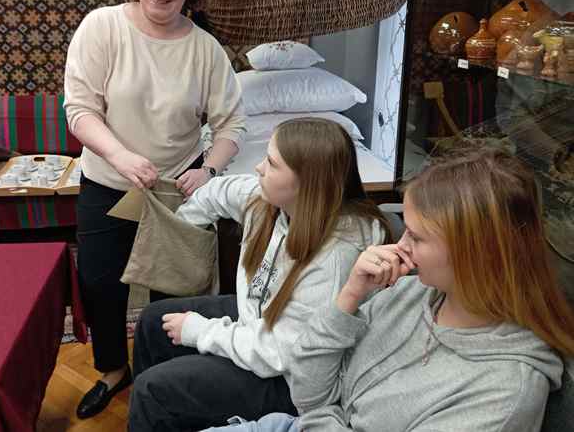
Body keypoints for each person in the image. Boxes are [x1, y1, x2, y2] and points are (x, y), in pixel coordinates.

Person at [205, 148, 574, 432]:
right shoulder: (409, 293)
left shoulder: (500, 396)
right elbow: (308, 391)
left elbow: (316, 404)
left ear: (474, 253)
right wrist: (348, 298)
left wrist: (322, 414)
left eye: (417, 236)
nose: (400, 246)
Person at [63, 0, 245, 419]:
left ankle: (162, 377)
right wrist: (121, 156)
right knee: (100, 283)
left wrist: (208, 170)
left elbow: (231, 126)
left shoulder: (205, 50)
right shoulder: (102, 27)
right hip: (108, 182)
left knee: (174, 293)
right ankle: (112, 370)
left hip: (175, 193)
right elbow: (80, 111)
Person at [128, 118, 391, 431]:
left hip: (290, 380)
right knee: (153, 322)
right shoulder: (268, 199)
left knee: (152, 391)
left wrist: (200, 331)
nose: (258, 168)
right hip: (262, 321)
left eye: (272, 163)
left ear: (307, 182)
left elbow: (281, 352)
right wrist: (184, 226)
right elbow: (219, 191)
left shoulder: (335, 258)